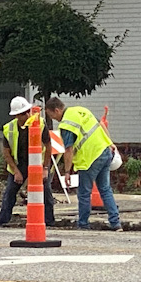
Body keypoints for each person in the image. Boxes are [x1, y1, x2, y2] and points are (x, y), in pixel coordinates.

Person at [45, 96, 122, 231]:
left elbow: (68, 150)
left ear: (56, 110)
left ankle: (83, 224)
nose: (51, 118)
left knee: (84, 193)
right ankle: (115, 223)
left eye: (50, 115)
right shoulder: (80, 110)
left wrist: (67, 172)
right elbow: (101, 125)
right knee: (105, 189)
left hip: (90, 158)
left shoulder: (66, 124)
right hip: (104, 150)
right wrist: (110, 143)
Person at [0, 96, 55, 226]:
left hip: (38, 164)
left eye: (28, 111)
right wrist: (16, 171)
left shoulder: (39, 124)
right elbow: (6, 152)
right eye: (23, 113)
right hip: (19, 164)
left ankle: (49, 221)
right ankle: (3, 220)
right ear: (16, 115)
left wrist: (45, 168)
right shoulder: (9, 128)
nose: (28, 114)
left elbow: (48, 146)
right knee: (10, 192)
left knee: (46, 192)